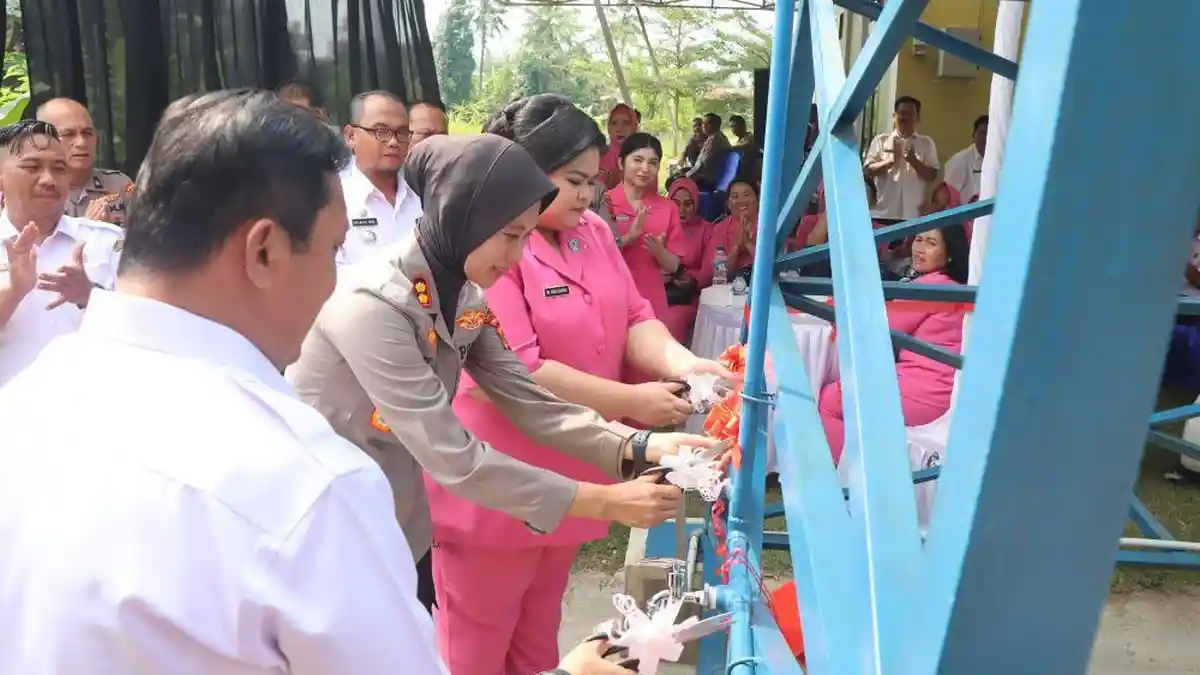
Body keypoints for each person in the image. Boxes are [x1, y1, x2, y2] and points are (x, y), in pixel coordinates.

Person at [0, 88, 633, 675]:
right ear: (264, 251)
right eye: (332, 252)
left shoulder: (27, 403)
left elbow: (513, 383)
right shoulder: (303, 485)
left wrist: (634, 449)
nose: (339, 279)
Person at [288, 133, 713, 616]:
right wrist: (607, 501)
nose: (517, 256)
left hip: (397, 525)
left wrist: (637, 447)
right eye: (510, 235)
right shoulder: (374, 307)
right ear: (460, 216)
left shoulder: (463, 295)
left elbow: (526, 396)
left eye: (528, 236)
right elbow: (456, 458)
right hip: (330, 534)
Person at [426, 93, 731, 675]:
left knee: (539, 631)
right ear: (521, 170)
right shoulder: (488, 242)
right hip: (499, 474)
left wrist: (685, 364)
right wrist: (633, 403)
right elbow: (517, 369)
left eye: (595, 181)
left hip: (568, 465)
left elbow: (636, 316)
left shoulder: (588, 229)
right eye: (574, 181)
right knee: (476, 644)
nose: (589, 196)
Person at [818, 223, 969, 462]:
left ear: (950, 253)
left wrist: (833, 305)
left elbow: (876, 329)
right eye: (919, 239)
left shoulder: (932, 286)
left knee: (827, 401)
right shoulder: (954, 286)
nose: (920, 248)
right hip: (939, 390)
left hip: (921, 392)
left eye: (931, 243)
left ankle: (850, 479)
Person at [0, 119, 124, 387]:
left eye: (59, 169)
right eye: (32, 167)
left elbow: (145, 329)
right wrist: (13, 292)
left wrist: (90, 296)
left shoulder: (107, 242)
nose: (49, 179)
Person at [600, 132, 682, 323]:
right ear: (621, 163)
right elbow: (594, 256)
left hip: (652, 304)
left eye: (653, 163)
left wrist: (659, 252)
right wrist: (629, 237)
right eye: (638, 160)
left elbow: (673, 265)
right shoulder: (604, 202)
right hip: (612, 301)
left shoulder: (668, 208)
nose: (645, 168)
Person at [338, 90, 422, 271]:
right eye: (381, 131)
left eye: (401, 132)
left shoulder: (422, 198)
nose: (393, 142)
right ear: (351, 136)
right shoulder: (334, 200)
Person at [35, 97, 134, 224]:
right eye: (68, 134)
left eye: (87, 133)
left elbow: (147, 237)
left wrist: (110, 233)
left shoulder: (120, 184)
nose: (82, 143)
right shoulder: (34, 193)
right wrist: (87, 230)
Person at [863, 95, 939, 223]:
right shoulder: (881, 141)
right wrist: (890, 162)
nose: (905, 118)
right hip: (882, 214)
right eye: (902, 113)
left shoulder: (926, 143)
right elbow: (868, 170)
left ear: (918, 118)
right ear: (894, 116)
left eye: (910, 114)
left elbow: (931, 176)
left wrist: (913, 161)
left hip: (913, 215)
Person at [661, 177, 713, 343]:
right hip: (657, 291)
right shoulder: (659, 226)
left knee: (673, 319)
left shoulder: (706, 230)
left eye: (688, 204)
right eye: (676, 203)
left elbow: (707, 274)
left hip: (689, 296)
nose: (681, 209)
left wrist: (683, 276)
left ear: (696, 204)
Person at [694, 178, 759, 287]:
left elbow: (772, 269)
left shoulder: (769, 226)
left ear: (757, 200)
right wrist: (737, 248)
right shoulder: (719, 229)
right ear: (729, 204)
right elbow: (711, 276)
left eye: (746, 195)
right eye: (735, 197)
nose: (741, 200)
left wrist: (748, 244)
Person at [943, 115, 987, 203]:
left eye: (991, 133)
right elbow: (946, 199)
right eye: (983, 133)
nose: (986, 138)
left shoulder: (1001, 160)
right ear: (973, 136)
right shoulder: (960, 160)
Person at [687, 113, 732, 192]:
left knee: (679, 183)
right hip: (710, 175)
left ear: (711, 125)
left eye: (704, 123)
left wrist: (686, 176)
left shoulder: (715, 140)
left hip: (710, 180)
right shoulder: (715, 137)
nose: (702, 126)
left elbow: (702, 164)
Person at [599, 103, 637, 190]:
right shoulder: (600, 155)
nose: (619, 128)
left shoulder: (643, 157)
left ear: (634, 127)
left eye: (626, 123)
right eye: (614, 123)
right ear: (608, 128)